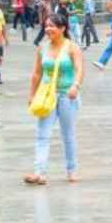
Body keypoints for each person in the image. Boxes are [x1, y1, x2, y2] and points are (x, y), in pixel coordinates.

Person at [24, 14, 84, 186]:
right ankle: (39, 173)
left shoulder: (72, 48)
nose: (48, 29)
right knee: (42, 134)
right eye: (46, 26)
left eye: (52, 26)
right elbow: (37, 73)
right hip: (47, 96)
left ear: (62, 28)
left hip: (68, 96)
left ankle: (72, 170)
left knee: (68, 135)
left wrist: (76, 86)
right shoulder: (42, 48)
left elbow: (79, 69)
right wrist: (32, 94)